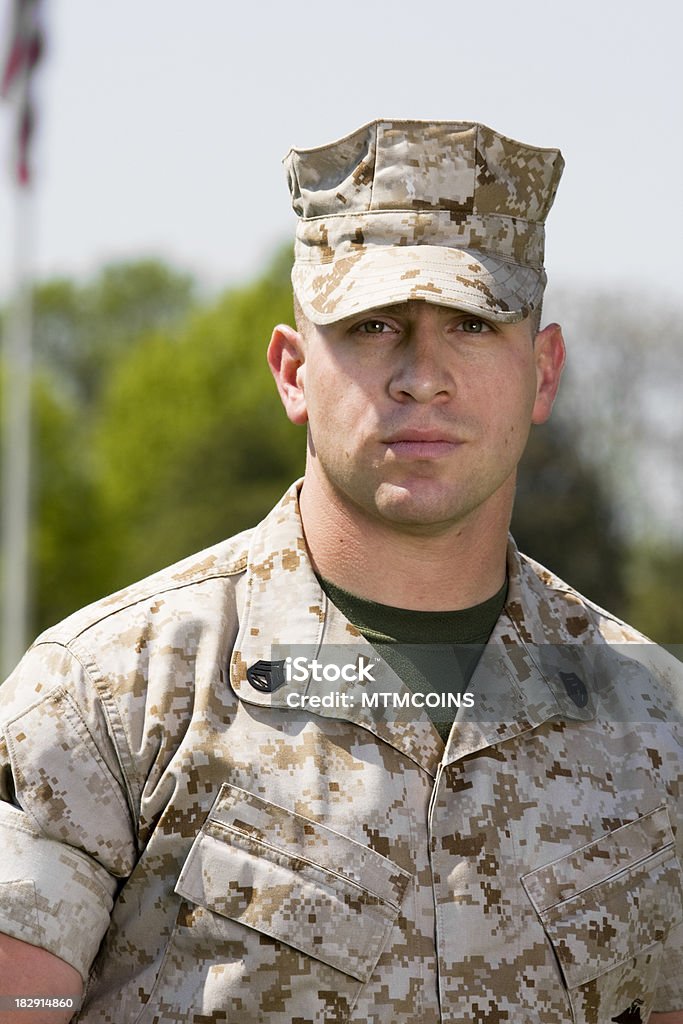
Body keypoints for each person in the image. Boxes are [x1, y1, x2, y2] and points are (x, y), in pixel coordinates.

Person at [0, 118, 681, 1024]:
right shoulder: (107, 696)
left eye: (473, 325)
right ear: (291, 372)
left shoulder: (653, 721)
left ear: (542, 373)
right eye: (373, 326)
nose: (422, 376)